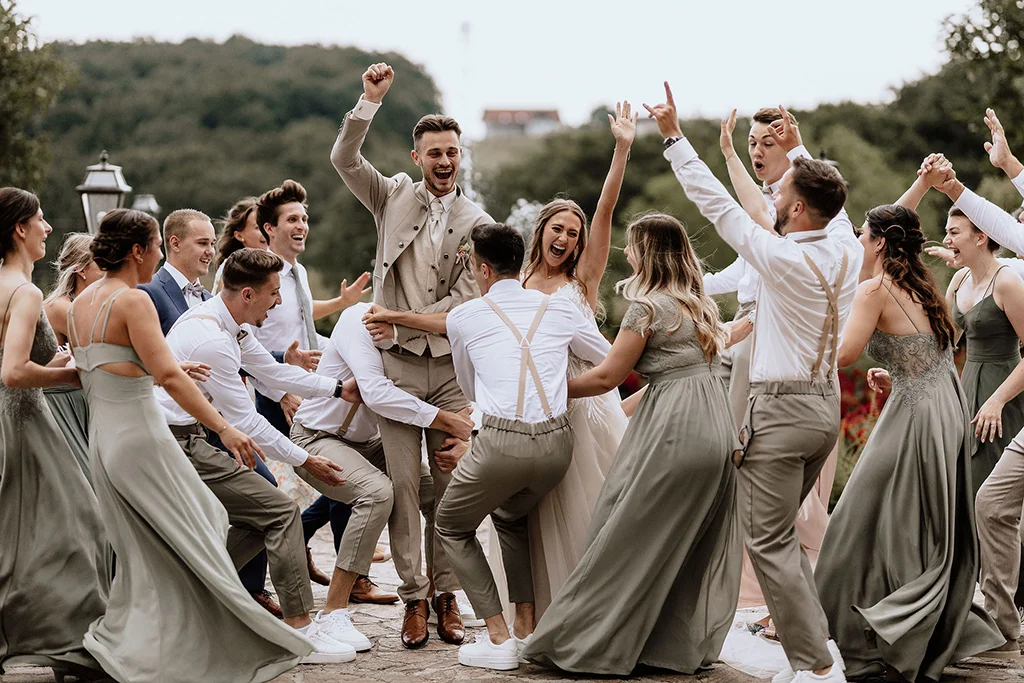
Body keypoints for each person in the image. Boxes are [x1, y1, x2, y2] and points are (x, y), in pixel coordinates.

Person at [367, 102, 638, 617]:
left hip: (575, 401)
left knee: (582, 509)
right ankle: (531, 614)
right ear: (540, 231)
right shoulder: (518, 281)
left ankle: (589, 609)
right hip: (521, 405)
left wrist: (621, 150)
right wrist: (401, 321)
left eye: (573, 233)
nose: (565, 239)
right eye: (557, 229)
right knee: (528, 516)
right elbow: (463, 327)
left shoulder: (581, 280)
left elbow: (604, 212)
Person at [648, 84, 861, 683]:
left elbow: (717, 206)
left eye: (782, 192)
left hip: (781, 413)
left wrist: (675, 139)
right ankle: (809, 652)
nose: (773, 198)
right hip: (824, 410)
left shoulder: (782, 258)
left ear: (797, 209)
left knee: (768, 542)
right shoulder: (845, 247)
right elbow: (831, 201)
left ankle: (817, 667)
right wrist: (799, 149)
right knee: (782, 538)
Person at [67, 209, 315, 681]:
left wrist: (163, 370)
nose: (158, 255)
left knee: (149, 546)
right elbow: (167, 376)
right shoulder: (134, 300)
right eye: (156, 247)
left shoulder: (81, 303)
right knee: (194, 530)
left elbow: (93, 370)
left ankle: (156, 629)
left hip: (104, 440)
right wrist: (223, 427)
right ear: (137, 251)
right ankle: (190, 634)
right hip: (146, 438)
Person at [524, 212, 741, 675]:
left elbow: (607, 376)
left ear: (649, 252)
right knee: (682, 540)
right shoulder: (699, 305)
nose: (628, 253)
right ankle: (663, 644)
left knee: (622, 533)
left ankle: (588, 642)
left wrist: (543, 389)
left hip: (673, 428)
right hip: (714, 425)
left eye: (634, 246)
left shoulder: (647, 308)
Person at [331, 61, 493, 648]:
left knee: (448, 485)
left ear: (460, 156)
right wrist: (368, 102)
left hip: (450, 369)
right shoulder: (392, 195)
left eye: (452, 152)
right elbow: (344, 159)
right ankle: (414, 598)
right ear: (417, 156)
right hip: (397, 364)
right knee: (403, 487)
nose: (444, 161)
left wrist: (397, 315)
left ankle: (448, 595)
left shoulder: (479, 222)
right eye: (434, 153)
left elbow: (463, 307)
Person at [815, 201, 1004, 680]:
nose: (858, 241)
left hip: (918, 414)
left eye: (863, 234)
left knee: (858, 517)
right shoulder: (923, 286)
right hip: (943, 406)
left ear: (880, 242)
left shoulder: (873, 289)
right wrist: (895, 372)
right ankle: (901, 625)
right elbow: (927, 353)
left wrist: (795, 340)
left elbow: (844, 355)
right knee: (910, 518)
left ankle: (880, 628)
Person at [155, 247, 361, 662]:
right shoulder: (213, 340)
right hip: (175, 444)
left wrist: (338, 389)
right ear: (248, 294)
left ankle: (194, 588)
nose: (280, 301)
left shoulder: (228, 324)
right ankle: (301, 631)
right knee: (282, 512)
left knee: (260, 517)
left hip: (190, 437)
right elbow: (247, 422)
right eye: (274, 293)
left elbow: (272, 373)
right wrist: (305, 460)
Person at [435, 223, 609, 671]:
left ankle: (498, 639)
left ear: (483, 270)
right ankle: (525, 627)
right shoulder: (561, 309)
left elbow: (468, 384)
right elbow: (608, 358)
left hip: (501, 444)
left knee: (451, 525)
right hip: (557, 446)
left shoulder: (462, 317)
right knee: (511, 517)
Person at [289, 300, 474, 650]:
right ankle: (333, 612)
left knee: (438, 495)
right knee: (377, 494)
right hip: (319, 437)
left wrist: (469, 428)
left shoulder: (426, 329)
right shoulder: (357, 320)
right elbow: (376, 392)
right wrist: (444, 419)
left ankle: (439, 595)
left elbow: (466, 380)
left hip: (372, 442)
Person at [718, 107, 840, 622]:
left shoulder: (796, 221)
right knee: (743, 463)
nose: (757, 150)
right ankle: (760, 587)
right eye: (752, 142)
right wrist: (682, 283)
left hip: (777, 348)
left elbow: (832, 214)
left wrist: (796, 145)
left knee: (759, 464)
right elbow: (736, 274)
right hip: (747, 337)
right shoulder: (772, 214)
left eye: (767, 142)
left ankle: (792, 590)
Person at [139, 207, 285, 616]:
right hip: (187, 423)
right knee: (263, 500)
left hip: (215, 420)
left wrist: (281, 361)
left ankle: (245, 590)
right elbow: (149, 357)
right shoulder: (149, 292)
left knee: (265, 496)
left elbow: (239, 351)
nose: (210, 251)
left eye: (210, 243)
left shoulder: (208, 296)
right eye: (202, 243)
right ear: (174, 243)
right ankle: (220, 592)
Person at [248, 179, 378, 602]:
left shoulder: (298, 273)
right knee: (293, 488)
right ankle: (265, 577)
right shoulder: (256, 274)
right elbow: (241, 342)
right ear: (270, 229)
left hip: (311, 390)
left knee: (337, 477)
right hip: (277, 399)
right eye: (292, 219)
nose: (301, 225)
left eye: (304, 218)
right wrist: (280, 392)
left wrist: (344, 328)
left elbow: (303, 331)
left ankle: (348, 573)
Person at [0, 188, 108, 681]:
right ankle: (74, 644)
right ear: (19, 228)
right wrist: (68, 373)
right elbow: (14, 372)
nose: (47, 228)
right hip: (24, 423)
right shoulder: (23, 292)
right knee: (81, 526)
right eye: (40, 219)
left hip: (12, 420)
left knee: (18, 536)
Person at [928, 130, 1024, 660]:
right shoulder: (958, 282)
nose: (948, 237)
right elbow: (944, 346)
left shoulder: (1009, 282)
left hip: (1004, 392)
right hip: (968, 392)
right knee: (971, 498)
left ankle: (1003, 609)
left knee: (995, 501)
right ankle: (976, 602)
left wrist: (997, 401)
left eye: (955, 230)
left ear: (982, 235)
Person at [43, 232, 101, 483]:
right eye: (101, 263)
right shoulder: (61, 307)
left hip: (82, 401)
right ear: (81, 270)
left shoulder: (86, 306)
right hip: (62, 404)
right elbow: (102, 346)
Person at [213, 196, 266, 294]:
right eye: (258, 227)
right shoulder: (231, 269)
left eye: (266, 225)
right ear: (239, 235)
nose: (266, 231)